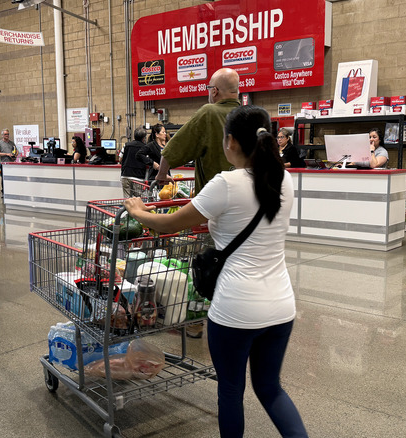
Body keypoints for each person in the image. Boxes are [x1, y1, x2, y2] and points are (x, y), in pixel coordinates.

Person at [124, 105, 308, 438]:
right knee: (270, 389)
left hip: (235, 309)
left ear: (232, 142)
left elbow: (168, 223)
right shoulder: (286, 180)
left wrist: (138, 211)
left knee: (231, 391)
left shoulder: (226, 183)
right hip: (281, 306)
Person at [155, 67, 241, 338]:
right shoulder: (247, 116)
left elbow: (177, 145)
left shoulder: (209, 112)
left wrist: (161, 174)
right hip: (247, 209)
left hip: (212, 207)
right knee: (234, 264)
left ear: (214, 91)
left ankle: (194, 321)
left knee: (204, 264)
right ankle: (234, 318)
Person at [120, 127, 148, 197]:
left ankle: (127, 208)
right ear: (144, 138)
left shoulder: (126, 145)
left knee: (127, 200)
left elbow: (120, 159)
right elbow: (147, 162)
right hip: (138, 177)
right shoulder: (145, 147)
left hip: (125, 175)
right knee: (138, 199)